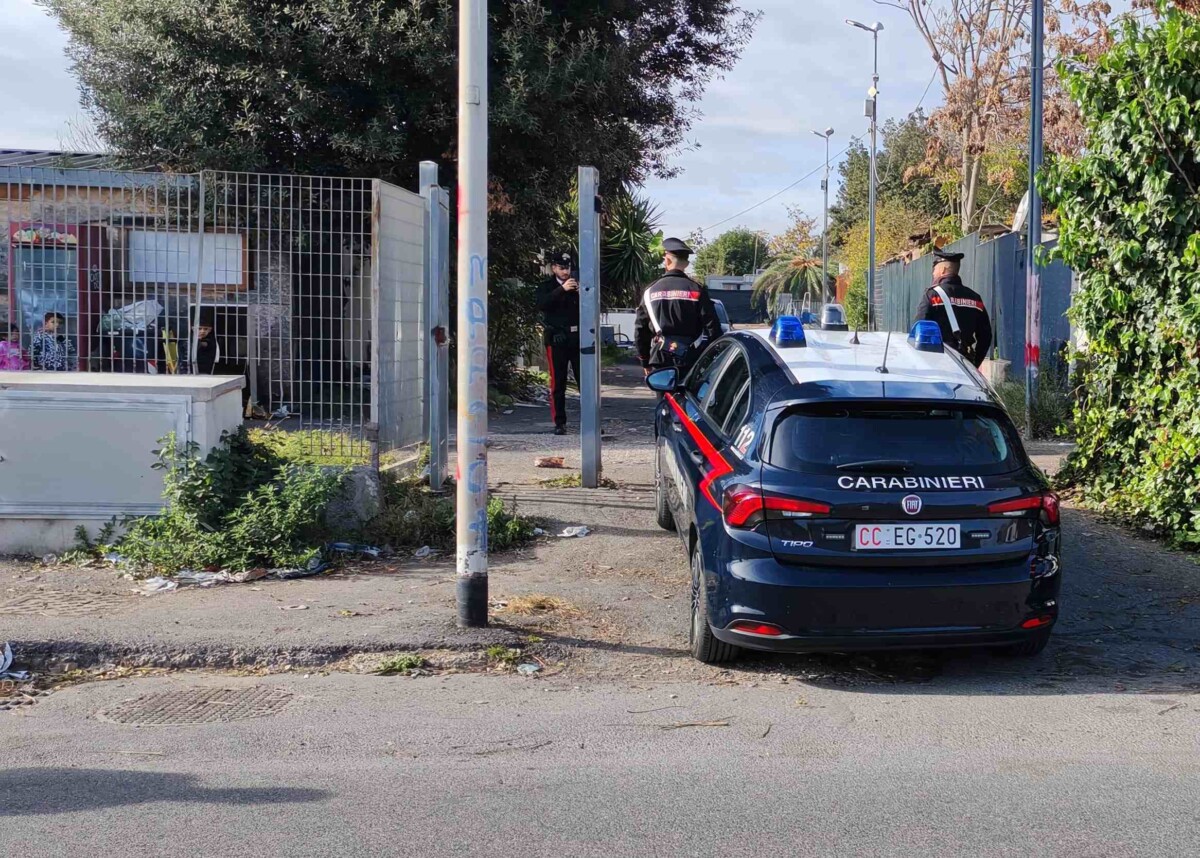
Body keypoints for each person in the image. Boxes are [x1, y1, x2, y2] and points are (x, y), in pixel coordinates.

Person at [634, 237, 723, 378]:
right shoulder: (697, 290)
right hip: (690, 358)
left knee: (664, 397)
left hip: (660, 358)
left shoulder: (650, 291)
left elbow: (641, 331)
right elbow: (713, 328)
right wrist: (707, 357)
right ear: (686, 264)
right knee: (688, 398)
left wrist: (645, 361)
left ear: (667, 261)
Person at [916, 248, 993, 368]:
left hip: (937, 362)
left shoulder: (932, 295)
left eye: (935, 270)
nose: (933, 273)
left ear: (943, 270)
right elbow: (985, 336)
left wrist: (925, 361)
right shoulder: (975, 298)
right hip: (965, 364)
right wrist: (974, 364)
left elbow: (920, 330)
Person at [536, 249, 580, 435]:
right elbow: (541, 304)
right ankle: (559, 422)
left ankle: (591, 421)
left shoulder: (578, 285)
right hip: (556, 338)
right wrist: (561, 290)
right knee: (558, 383)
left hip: (577, 338)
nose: (565, 272)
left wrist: (579, 291)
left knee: (584, 381)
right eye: (561, 268)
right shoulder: (546, 287)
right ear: (554, 268)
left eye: (567, 267)